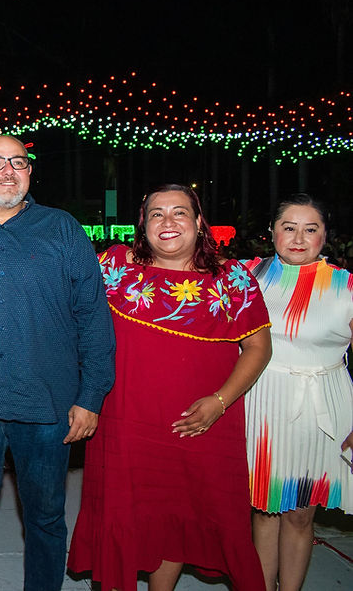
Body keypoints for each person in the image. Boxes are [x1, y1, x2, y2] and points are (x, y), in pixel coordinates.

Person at [0, 135, 115, 591]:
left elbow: (93, 315)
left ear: (30, 172)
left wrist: (91, 397)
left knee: (47, 517)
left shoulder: (63, 228)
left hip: (49, 406)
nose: (7, 170)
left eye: (18, 161)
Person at [68, 184, 272, 591]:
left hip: (201, 423)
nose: (168, 222)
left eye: (179, 212)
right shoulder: (114, 266)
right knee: (123, 512)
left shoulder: (231, 277)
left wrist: (219, 403)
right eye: (156, 214)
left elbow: (258, 348)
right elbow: (68, 313)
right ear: (142, 227)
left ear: (199, 223)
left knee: (183, 511)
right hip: (126, 420)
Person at [244, 193, 353, 591]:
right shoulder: (248, 276)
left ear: (326, 236)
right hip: (261, 404)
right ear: (272, 231)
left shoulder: (346, 286)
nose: (299, 238)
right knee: (264, 509)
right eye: (289, 227)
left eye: (311, 229)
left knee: (301, 513)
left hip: (322, 409)